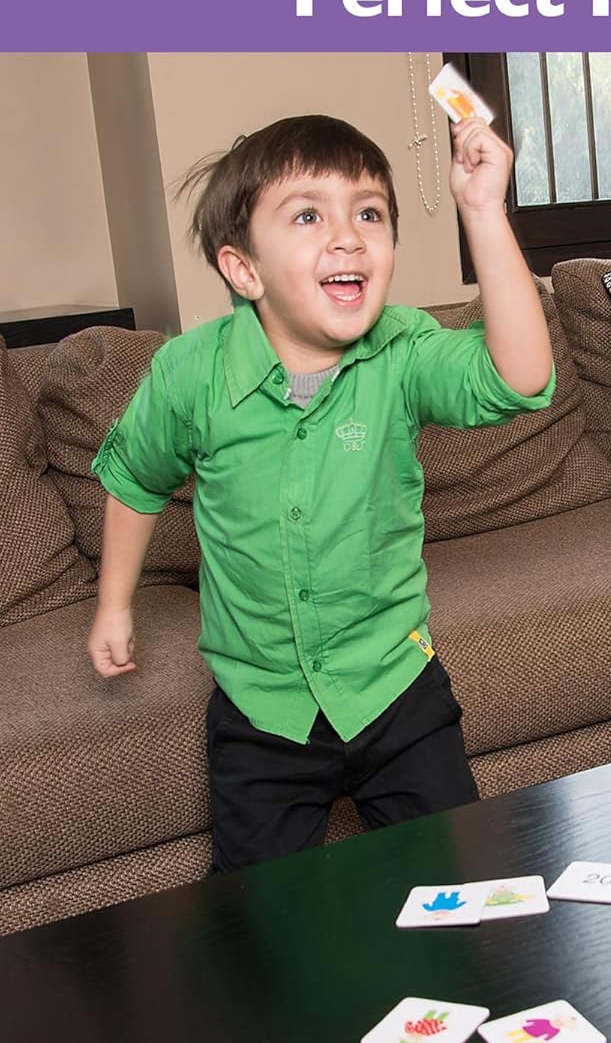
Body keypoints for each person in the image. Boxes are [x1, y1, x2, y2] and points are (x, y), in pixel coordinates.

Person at [87, 112, 554, 871]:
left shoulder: (402, 352)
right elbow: (136, 479)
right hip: (260, 708)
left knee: (468, 890)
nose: (348, 236)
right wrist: (114, 604)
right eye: (309, 215)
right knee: (260, 929)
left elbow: (521, 377)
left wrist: (483, 211)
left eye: (369, 213)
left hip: (397, 689)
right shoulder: (188, 373)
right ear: (244, 270)